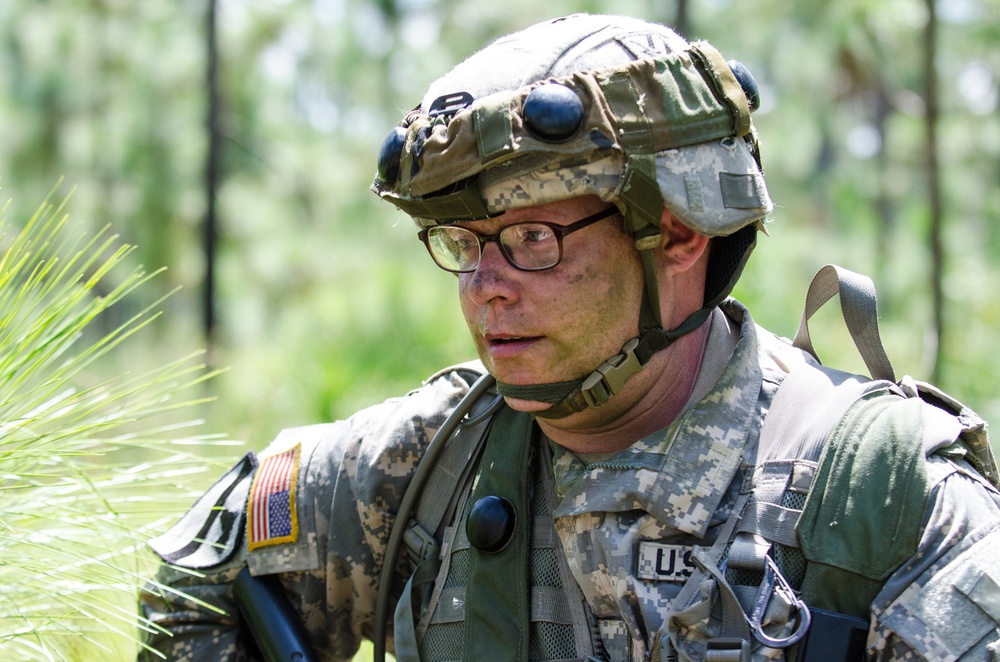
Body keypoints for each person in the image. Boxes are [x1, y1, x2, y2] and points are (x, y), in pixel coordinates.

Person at [139, 13, 1000, 661]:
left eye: (531, 239)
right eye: (466, 244)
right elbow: (194, 583)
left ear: (681, 233)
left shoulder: (878, 494)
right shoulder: (427, 465)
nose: (485, 289)